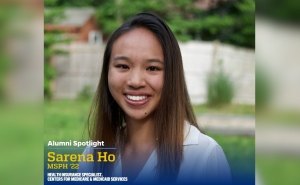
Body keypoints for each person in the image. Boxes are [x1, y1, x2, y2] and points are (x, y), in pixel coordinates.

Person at [80, 12, 231, 184]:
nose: (135, 81)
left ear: (172, 76)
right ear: (107, 71)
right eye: (123, 66)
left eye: (152, 68)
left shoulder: (203, 156)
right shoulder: (93, 155)